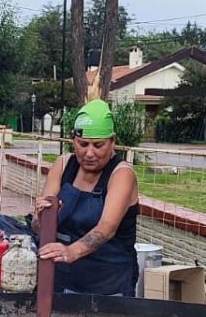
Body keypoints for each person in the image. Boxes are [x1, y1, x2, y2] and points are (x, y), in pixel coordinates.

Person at [34, 98, 140, 296]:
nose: (89, 153)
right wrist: (40, 218)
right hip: (62, 279)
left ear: (112, 142)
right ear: (73, 141)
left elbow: (106, 228)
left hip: (108, 283)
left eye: (98, 145)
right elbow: (39, 225)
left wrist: (71, 252)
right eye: (83, 144)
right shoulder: (63, 165)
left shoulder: (121, 175)